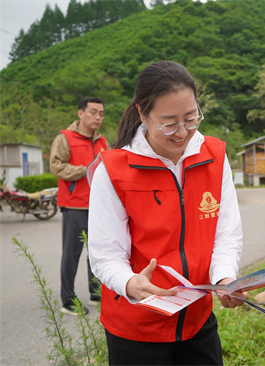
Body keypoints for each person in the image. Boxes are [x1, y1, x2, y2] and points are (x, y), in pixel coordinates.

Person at [87, 60, 246, 365]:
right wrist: (131, 283)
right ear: (142, 115)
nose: (182, 132)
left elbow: (226, 233)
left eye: (191, 118)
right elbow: (105, 256)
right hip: (136, 328)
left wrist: (225, 277)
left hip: (197, 320)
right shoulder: (114, 169)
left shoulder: (214, 155)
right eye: (169, 123)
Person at [50, 97, 108, 315]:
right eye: (93, 112)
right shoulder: (65, 137)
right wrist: (84, 170)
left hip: (98, 206)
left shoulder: (102, 142)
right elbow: (57, 166)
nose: (98, 117)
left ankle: (96, 293)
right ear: (80, 113)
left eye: (101, 113)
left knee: (96, 252)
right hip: (75, 205)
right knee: (71, 254)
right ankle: (68, 300)